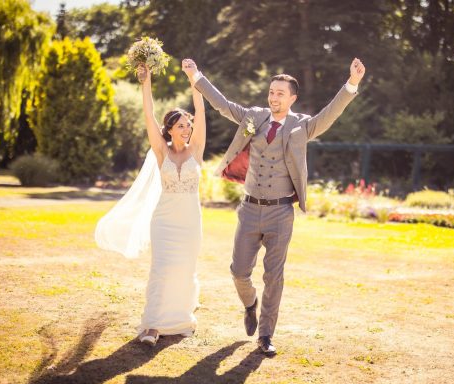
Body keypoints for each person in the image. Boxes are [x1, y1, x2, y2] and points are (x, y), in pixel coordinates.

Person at [182, 57, 366, 354]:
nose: (274, 96)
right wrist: (196, 76)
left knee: (274, 276)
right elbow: (222, 104)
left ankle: (266, 335)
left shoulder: (302, 125)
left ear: (292, 98)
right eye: (271, 91)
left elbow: (330, 114)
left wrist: (352, 84)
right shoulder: (254, 116)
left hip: (281, 212)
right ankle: (250, 303)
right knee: (239, 271)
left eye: (280, 93)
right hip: (249, 208)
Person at [95, 61, 206, 346]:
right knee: (162, 270)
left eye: (188, 125)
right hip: (165, 221)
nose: (186, 129)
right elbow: (149, 114)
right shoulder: (161, 151)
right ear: (169, 130)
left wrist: (194, 78)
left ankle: (180, 321)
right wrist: (146, 83)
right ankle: (152, 326)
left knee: (184, 269)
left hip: (191, 221)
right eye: (181, 126)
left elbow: (201, 109)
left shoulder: (197, 148)